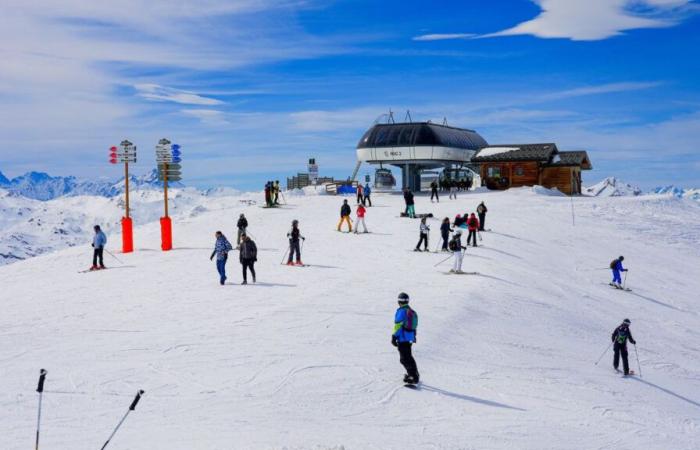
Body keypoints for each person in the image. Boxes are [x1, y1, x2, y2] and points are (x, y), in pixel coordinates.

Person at [391, 292, 419, 384]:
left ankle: (413, 376)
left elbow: (398, 325)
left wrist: (394, 336)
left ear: (399, 301)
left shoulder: (402, 311)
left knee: (404, 359)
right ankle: (415, 374)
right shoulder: (410, 310)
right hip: (409, 337)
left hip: (403, 338)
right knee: (408, 357)